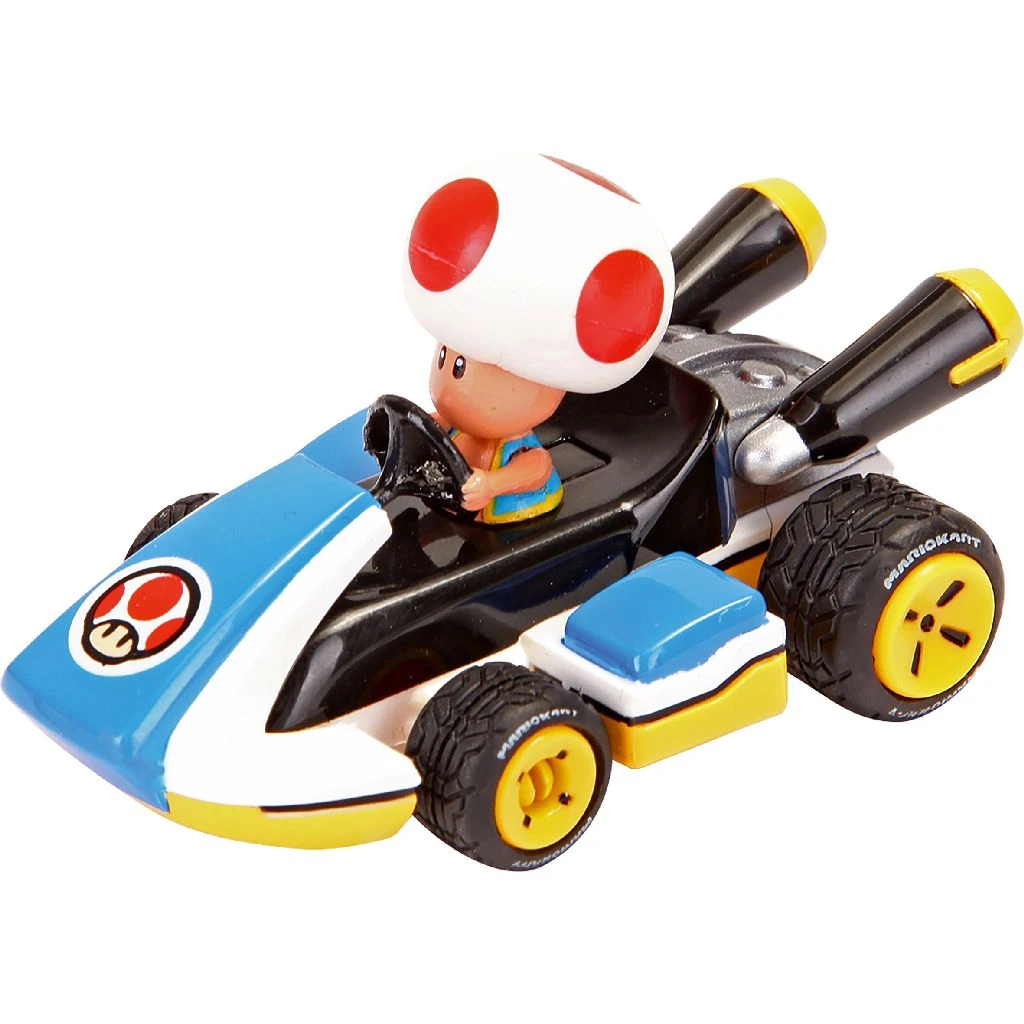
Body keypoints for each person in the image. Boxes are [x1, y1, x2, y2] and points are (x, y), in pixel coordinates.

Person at [403, 153, 673, 523]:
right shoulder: (459, 421)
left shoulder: (519, 448)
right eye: (447, 358)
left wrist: (492, 484)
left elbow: (537, 468)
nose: (451, 385)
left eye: (460, 366)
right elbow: (438, 425)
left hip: (514, 518)